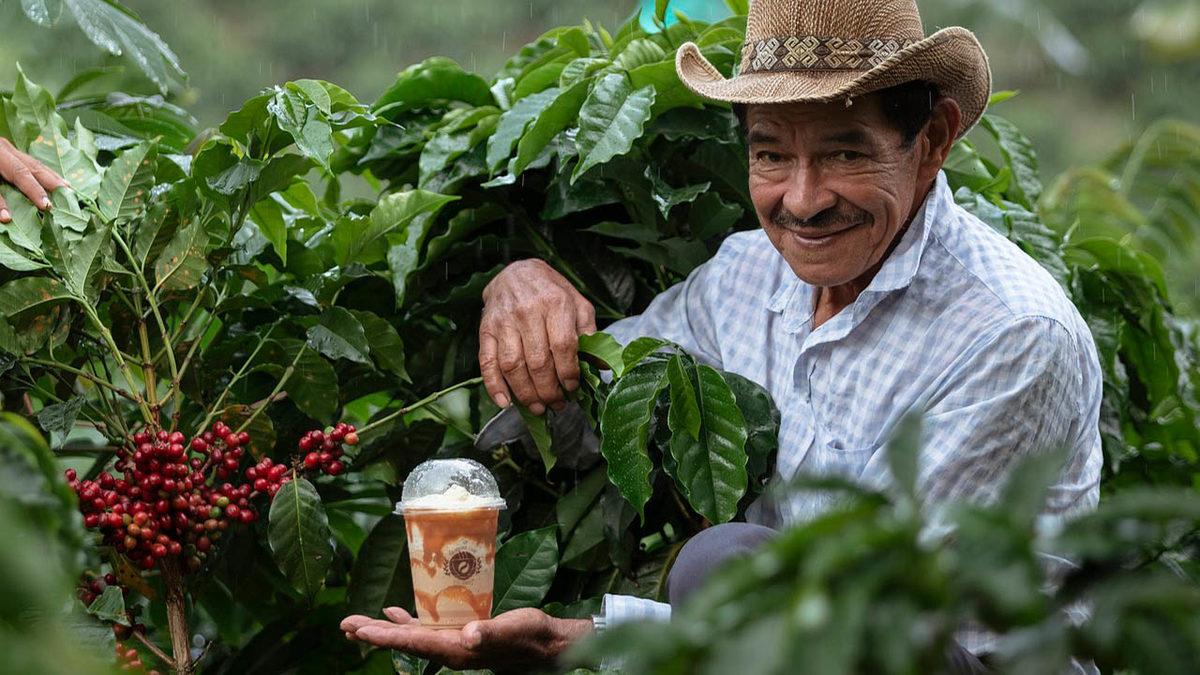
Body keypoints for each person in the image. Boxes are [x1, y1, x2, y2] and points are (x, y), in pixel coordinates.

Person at [342, 0, 1103, 671]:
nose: (801, 201)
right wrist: (522, 299)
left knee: (722, 562)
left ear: (932, 139)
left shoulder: (1010, 333)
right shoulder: (746, 274)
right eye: (772, 153)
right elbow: (593, 416)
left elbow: (879, 616)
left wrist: (572, 642)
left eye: (844, 151)